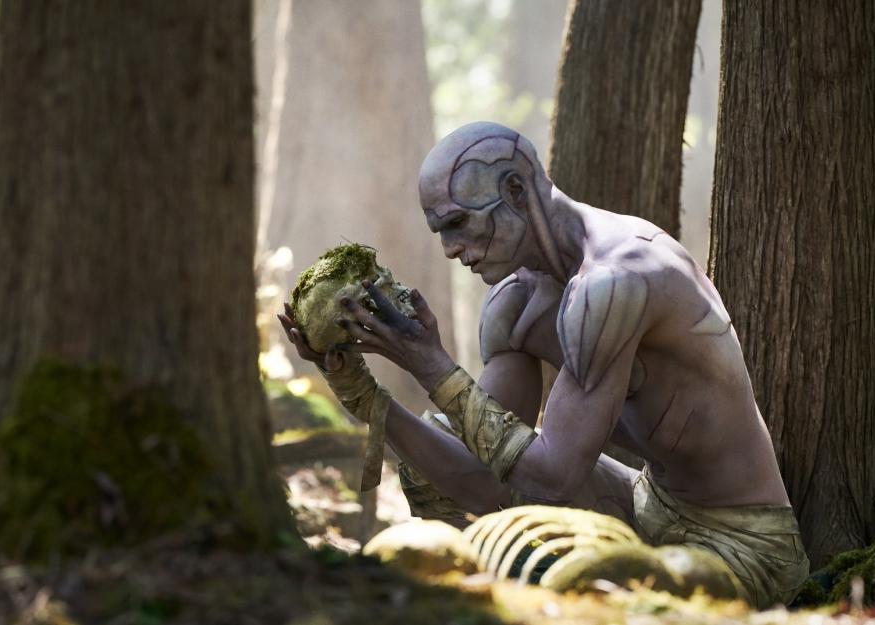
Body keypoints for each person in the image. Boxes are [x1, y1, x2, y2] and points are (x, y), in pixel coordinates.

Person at [278, 121, 807, 608]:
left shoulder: (616, 280)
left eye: (459, 223)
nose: (450, 249)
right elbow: (485, 480)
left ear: (516, 191)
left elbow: (551, 480)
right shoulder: (516, 302)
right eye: (440, 230)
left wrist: (432, 366)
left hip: (744, 546)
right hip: (645, 506)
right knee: (434, 466)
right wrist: (361, 392)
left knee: (549, 585)